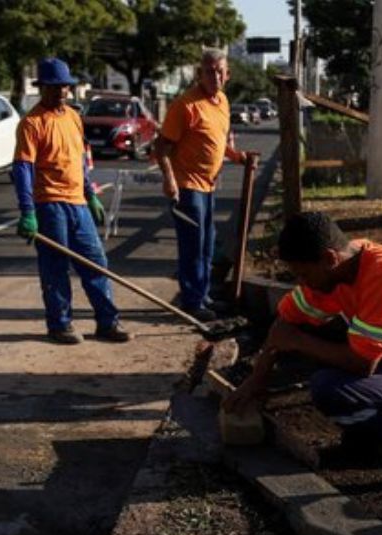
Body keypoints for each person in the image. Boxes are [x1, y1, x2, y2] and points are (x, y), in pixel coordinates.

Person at [225, 212, 382, 491]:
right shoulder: (340, 267)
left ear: (330, 259)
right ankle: (369, 448)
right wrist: (257, 379)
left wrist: (299, 341)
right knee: (321, 345)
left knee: (331, 388)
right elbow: (286, 321)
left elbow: (361, 364)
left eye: (304, 274)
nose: (302, 283)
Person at [13, 57, 130, 345]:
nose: (61, 92)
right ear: (43, 88)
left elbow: (79, 161)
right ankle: (60, 324)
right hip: (49, 203)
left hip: (78, 203)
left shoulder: (73, 118)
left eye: (65, 87)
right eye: (55, 87)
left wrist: (90, 194)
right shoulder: (32, 123)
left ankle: (107, 323)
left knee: (96, 263)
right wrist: (28, 211)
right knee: (56, 267)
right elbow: (23, 168)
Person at [152, 48, 256, 322]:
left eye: (220, 71)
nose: (215, 76)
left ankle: (203, 294)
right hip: (187, 185)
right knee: (193, 245)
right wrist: (169, 179)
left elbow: (219, 142)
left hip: (208, 185)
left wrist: (238, 156)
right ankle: (192, 301)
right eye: (209, 71)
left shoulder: (222, 101)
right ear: (200, 74)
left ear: (228, 75)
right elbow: (161, 146)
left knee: (208, 243)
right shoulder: (185, 105)